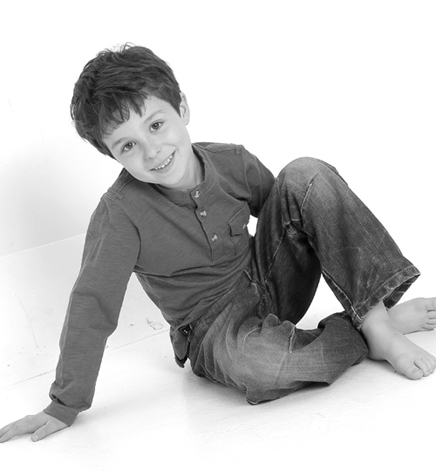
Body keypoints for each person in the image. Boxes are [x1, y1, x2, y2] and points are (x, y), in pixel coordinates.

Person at [1, 43, 435, 443]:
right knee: (266, 368)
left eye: (156, 125)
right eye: (128, 145)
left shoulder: (231, 161)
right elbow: (92, 305)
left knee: (307, 175)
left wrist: (317, 225)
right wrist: (65, 404)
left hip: (270, 282)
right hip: (214, 331)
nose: (152, 151)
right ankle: (366, 329)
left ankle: (375, 318)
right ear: (111, 155)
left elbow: (295, 213)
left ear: (182, 108)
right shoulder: (119, 215)